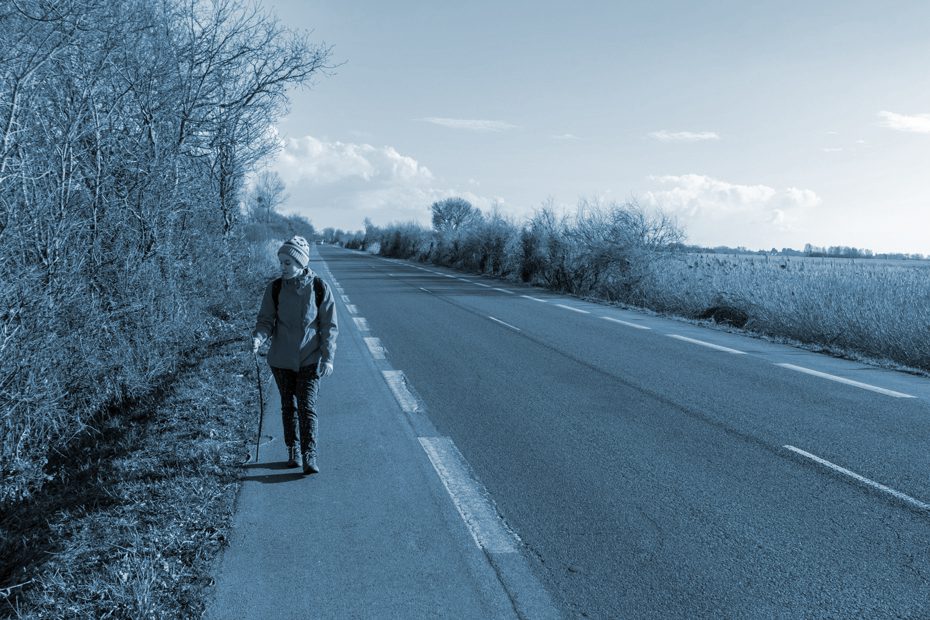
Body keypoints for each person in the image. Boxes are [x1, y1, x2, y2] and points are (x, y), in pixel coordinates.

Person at [252, 236, 338, 474]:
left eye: (288, 262)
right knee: (288, 407)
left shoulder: (319, 288)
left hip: (309, 359)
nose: (283, 267)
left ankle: (310, 454)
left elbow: (329, 326)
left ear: (301, 263)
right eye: (281, 262)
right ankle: (294, 450)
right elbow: (266, 320)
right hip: (281, 360)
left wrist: (328, 357)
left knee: (307, 407)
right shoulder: (275, 288)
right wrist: (259, 337)